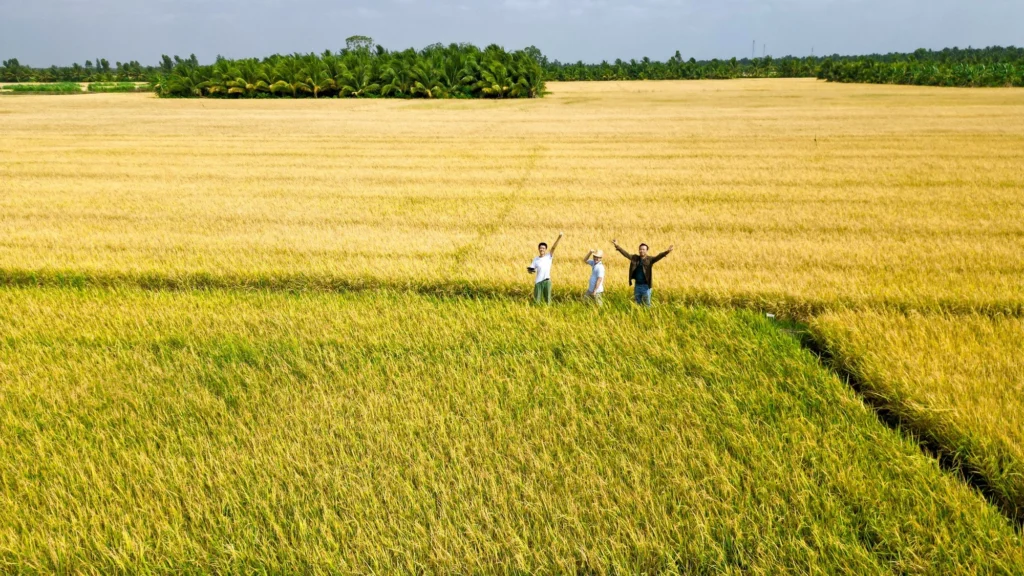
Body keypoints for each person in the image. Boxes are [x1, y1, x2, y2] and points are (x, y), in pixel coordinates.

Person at [611, 239, 674, 306]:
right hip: (637, 285)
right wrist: (617, 246)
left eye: (643, 249)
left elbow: (658, 256)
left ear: (646, 251)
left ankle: (648, 315)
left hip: (646, 286)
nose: (641, 251)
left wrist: (667, 252)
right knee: (637, 304)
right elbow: (626, 254)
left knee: (647, 305)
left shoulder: (650, 259)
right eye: (640, 249)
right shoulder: (635, 258)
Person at [528, 232, 563, 304]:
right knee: (536, 300)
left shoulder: (548, 257)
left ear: (546, 249)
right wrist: (530, 271)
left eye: (543, 248)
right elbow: (531, 269)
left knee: (548, 299)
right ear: (538, 249)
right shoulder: (535, 259)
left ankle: (548, 312)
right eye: (540, 248)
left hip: (547, 281)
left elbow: (553, 248)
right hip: (538, 282)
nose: (542, 249)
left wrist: (559, 237)